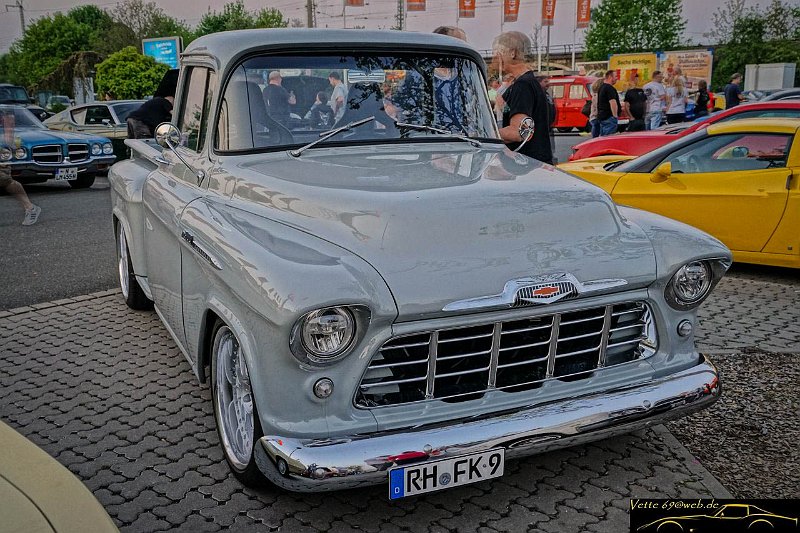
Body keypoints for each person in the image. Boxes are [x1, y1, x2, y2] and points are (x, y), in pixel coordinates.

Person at [492, 31, 553, 164]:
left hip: (527, 165)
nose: (495, 59)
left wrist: (483, 134)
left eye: (497, 53)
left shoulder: (523, 85)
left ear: (513, 53)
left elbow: (518, 132)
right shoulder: (528, 82)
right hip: (534, 162)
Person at [0, 107, 40, 225]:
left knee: (4, 179)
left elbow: (9, 135)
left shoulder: (7, 114)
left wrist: (9, 148)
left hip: (3, 151)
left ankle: (30, 208)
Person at [126, 69, 179, 139]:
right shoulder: (165, 102)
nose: (174, 104)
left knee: (133, 141)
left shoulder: (155, 101)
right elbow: (174, 114)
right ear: (170, 98)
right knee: (144, 141)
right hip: (140, 121)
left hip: (131, 118)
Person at [596, 70, 620, 136]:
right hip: (609, 118)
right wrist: (615, 116)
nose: (617, 78)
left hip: (603, 117)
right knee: (609, 137)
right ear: (610, 77)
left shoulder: (601, 88)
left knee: (603, 138)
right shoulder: (610, 88)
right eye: (615, 76)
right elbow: (613, 102)